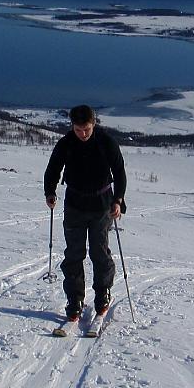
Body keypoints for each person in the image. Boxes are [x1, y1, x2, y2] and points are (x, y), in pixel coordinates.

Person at [44, 105, 126, 321]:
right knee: (73, 254)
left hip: (101, 205)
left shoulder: (106, 142)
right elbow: (53, 169)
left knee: (99, 253)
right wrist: (50, 192)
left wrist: (118, 200)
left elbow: (119, 172)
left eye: (87, 130)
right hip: (74, 204)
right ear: (72, 126)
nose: (82, 134)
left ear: (94, 124)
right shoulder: (66, 143)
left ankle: (103, 294)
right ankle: (75, 299)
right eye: (78, 130)